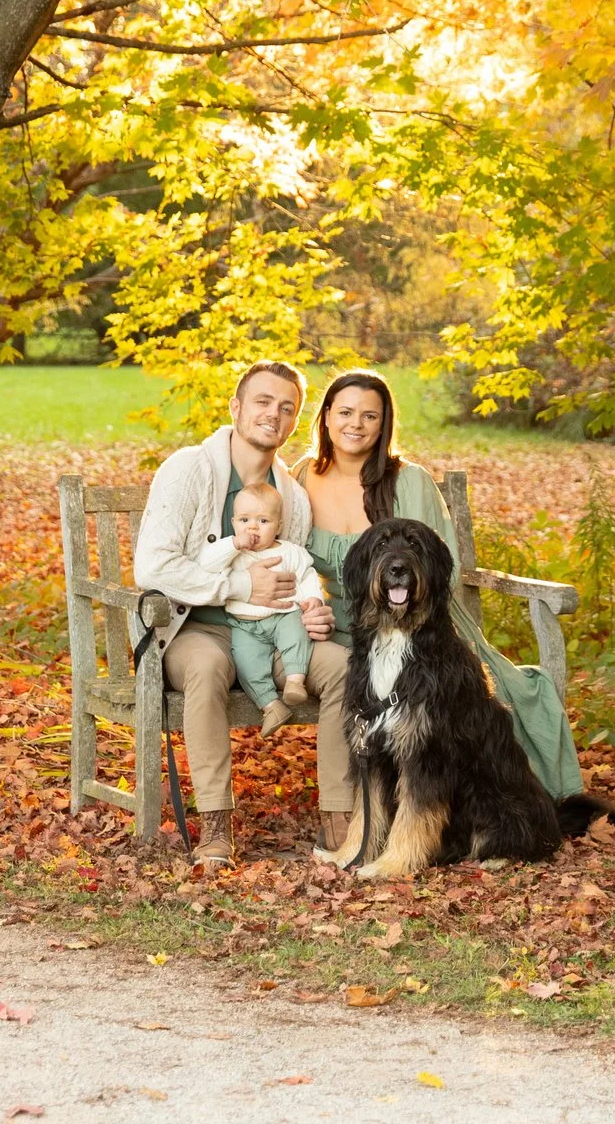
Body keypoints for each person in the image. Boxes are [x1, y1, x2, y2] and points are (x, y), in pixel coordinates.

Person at [299, 369, 587, 821]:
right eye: (346, 412)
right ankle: (358, 814)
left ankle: (508, 809)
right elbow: (282, 560)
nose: (356, 424)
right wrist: (304, 605)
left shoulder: (408, 481)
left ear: (383, 424)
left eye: (370, 415)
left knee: (472, 698)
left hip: (419, 620)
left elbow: (438, 567)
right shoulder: (300, 478)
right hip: (338, 626)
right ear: (327, 417)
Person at [130, 361, 354, 866]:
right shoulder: (188, 470)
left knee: (342, 667)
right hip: (190, 630)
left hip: (270, 632)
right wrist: (234, 583)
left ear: (294, 421)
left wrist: (312, 609)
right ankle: (215, 825)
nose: (273, 414)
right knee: (208, 668)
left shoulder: (291, 498)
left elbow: (294, 573)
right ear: (235, 407)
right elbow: (153, 566)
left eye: (286, 407)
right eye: (262, 401)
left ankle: (338, 818)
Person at [197, 481, 325, 732]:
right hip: (244, 625)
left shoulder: (290, 552)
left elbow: (307, 575)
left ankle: (295, 681)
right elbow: (206, 565)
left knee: (296, 636)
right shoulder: (232, 554)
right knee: (247, 662)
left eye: (263, 521)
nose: (252, 527)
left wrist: (313, 598)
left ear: (279, 526)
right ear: (233, 523)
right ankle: (270, 705)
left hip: (284, 615)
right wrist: (233, 543)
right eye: (244, 520)